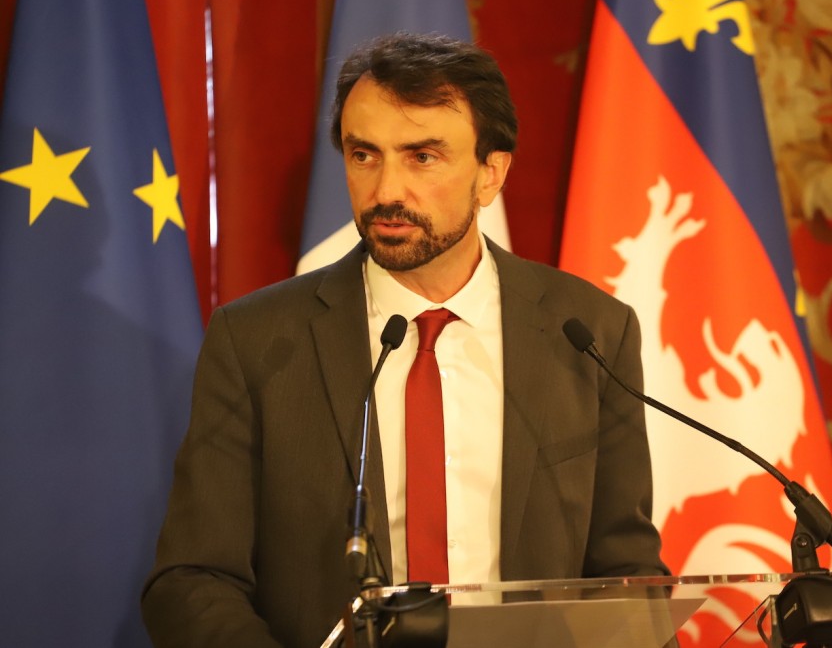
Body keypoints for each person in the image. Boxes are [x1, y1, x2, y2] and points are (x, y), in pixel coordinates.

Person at [141, 32, 668, 647]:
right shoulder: (257, 340)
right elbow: (193, 579)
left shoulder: (591, 331)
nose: (387, 190)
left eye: (422, 157)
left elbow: (627, 573)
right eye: (364, 155)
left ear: (491, 173)